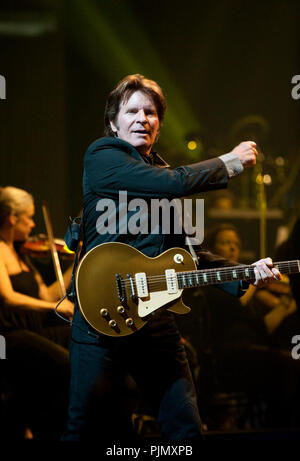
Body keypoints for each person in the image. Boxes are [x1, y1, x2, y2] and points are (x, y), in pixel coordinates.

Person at [62, 74, 281, 443]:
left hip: (155, 320)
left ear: (159, 125)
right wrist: (229, 162)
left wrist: (245, 271)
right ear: (114, 122)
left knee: (184, 427)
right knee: (86, 430)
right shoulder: (103, 156)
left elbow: (189, 255)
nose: (142, 118)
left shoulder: (161, 175)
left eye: (150, 112)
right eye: (132, 111)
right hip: (101, 320)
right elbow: (173, 183)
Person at [178, 223, 300, 429]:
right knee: (289, 366)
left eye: (236, 243)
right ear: (212, 249)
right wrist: (253, 277)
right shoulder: (212, 285)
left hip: (250, 348)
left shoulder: (248, 286)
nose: (233, 248)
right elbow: (237, 304)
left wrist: (287, 297)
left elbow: (264, 326)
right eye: (226, 243)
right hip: (226, 355)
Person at [0, 186, 74, 439]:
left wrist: (77, 264)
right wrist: (57, 307)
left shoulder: (22, 256)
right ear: (12, 218)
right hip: (6, 337)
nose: (33, 224)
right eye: (29, 217)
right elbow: (8, 299)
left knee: (81, 339)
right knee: (62, 363)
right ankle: (47, 429)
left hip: (32, 331)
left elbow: (47, 295)